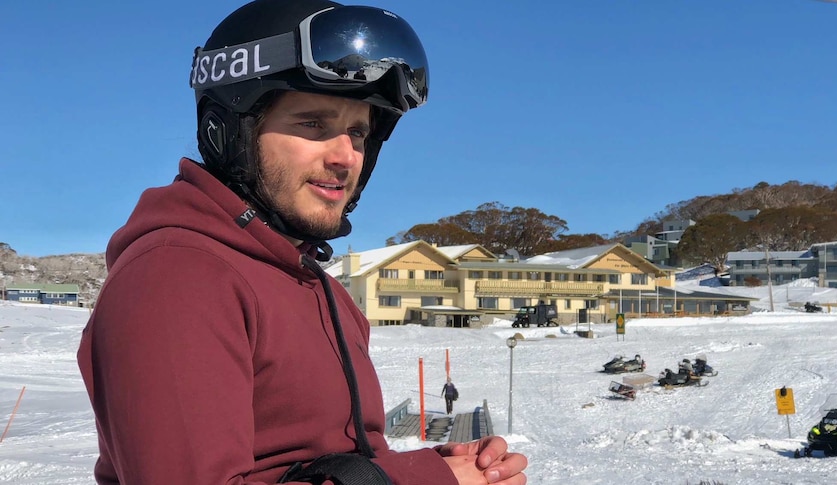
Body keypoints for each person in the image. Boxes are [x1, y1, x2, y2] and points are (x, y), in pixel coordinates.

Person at [76, 1, 528, 484]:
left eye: (358, 132)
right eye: (313, 124)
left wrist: (435, 467)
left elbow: (327, 459)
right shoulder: (178, 276)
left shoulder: (319, 288)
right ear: (230, 132)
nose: (345, 157)